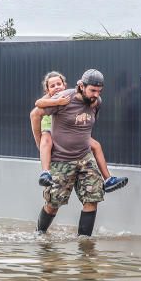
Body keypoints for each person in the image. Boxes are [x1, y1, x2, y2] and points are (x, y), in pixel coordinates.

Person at [29, 68, 109, 237]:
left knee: (92, 199)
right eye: (92, 90)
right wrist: (40, 141)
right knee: (53, 203)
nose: (96, 94)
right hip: (61, 160)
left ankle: (84, 243)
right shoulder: (63, 99)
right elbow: (36, 114)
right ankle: (40, 234)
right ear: (81, 86)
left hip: (85, 158)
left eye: (99, 91)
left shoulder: (96, 102)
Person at [32, 71, 127, 193]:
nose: (56, 87)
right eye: (52, 86)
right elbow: (37, 106)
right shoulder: (55, 98)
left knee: (96, 145)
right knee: (46, 142)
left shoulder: (88, 100)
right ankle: (45, 172)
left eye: (59, 84)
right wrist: (56, 102)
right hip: (49, 126)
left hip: (77, 141)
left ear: (64, 85)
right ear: (47, 90)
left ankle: (108, 179)